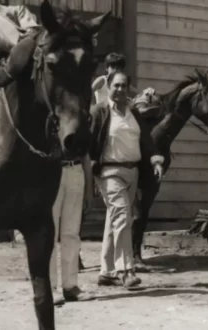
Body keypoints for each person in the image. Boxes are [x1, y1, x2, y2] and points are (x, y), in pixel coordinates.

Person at [88, 71, 164, 289]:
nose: (120, 89)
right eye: (116, 85)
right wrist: (92, 170)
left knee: (115, 220)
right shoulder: (99, 111)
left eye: (124, 85)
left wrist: (156, 160)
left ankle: (106, 272)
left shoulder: (134, 113)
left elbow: (146, 139)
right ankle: (125, 270)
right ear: (109, 86)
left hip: (132, 172)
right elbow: (91, 143)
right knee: (123, 216)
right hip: (110, 172)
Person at [49, 153, 96, 305]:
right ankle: (49, 287)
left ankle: (70, 286)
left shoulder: (80, 128)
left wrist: (89, 188)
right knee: (50, 232)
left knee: (71, 232)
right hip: (51, 169)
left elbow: (86, 155)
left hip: (75, 169)